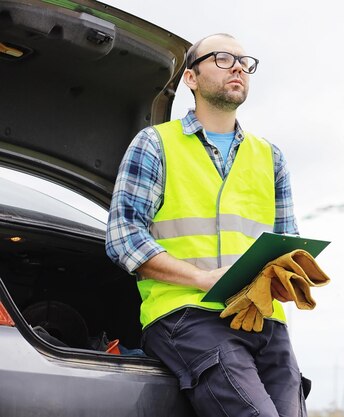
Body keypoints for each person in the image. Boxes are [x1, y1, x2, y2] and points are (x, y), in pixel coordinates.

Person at [106, 33, 307, 417]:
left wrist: (289, 274)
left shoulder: (270, 156)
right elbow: (124, 238)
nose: (237, 66)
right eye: (222, 58)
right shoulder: (154, 144)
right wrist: (203, 279)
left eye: (244, 61)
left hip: (264, 320)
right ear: (191, 79)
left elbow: (287, 241)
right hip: (187, 315)